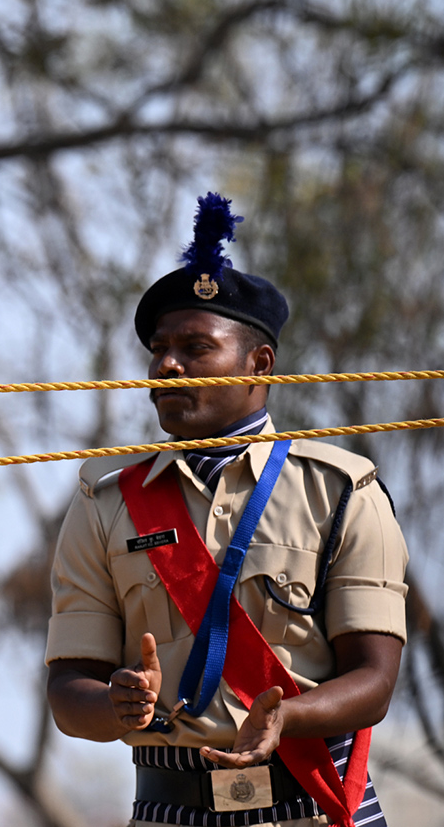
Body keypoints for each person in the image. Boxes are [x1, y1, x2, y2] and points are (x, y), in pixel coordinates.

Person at [44, 193, 408, 827]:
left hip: (314, 805)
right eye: (158, 348)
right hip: (169, 810)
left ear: (258, 365)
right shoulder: (104, 500)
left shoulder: (341, 491)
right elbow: (68, 689)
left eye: (195, 347)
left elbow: (374, 679)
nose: (166, 365)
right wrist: (116, 705)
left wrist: (286, 716)